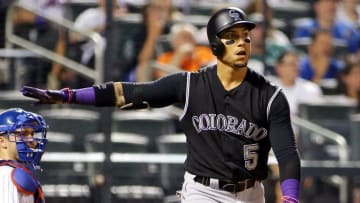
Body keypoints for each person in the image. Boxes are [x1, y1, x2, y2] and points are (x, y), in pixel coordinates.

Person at [20, 7, 301, 203]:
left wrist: (290, 197)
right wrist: (69, 96)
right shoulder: (190, 84)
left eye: (245, 37)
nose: (241, 43)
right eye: (232, 38)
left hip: (251, 193)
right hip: (203, 192)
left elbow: (287, 154)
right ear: (215, 46)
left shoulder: (269, 95)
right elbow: (127, 93)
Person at [0, 108, 48, 203]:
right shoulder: (6, 174)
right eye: (23, 133)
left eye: (32, 134)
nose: (32, 140)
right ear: (2, 142)